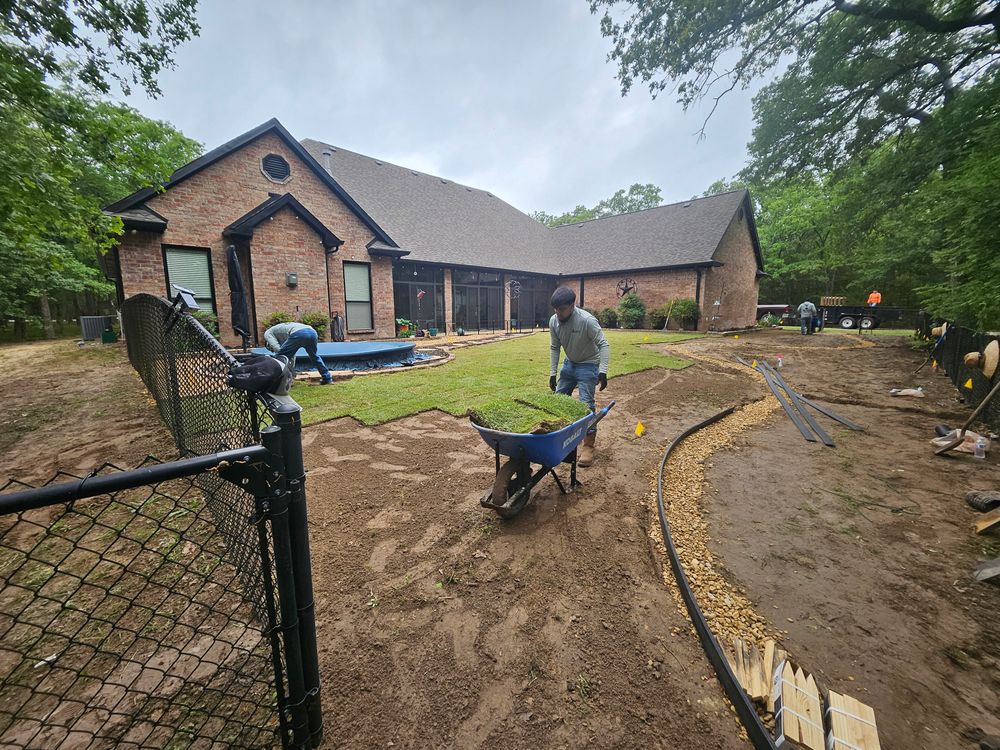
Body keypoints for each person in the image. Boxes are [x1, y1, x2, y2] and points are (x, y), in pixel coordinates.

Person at [548, 286, 610, 467]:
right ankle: (560, 437)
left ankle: (588, 446)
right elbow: (554, 347)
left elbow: (604, 345)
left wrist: (603, 371)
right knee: (557, 400)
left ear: (572, 305)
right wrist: (553, 373)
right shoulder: (554, 321)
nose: (558, 313)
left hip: (588, 364)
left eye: (561, 309)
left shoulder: (587, 321)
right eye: (555, 309)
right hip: (569, 364)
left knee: (586, 405)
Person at [264, 321, 333, 384]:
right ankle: (327, 378)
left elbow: (277, 349)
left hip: (299, 333)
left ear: (268, 343)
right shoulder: (280, 333)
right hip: (312, 332)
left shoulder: (268, 333)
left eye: (271, 349)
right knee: (314, 356)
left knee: (280, 357)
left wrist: (277, 357)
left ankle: (275, 381)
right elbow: (292, 356)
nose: (272, 351)